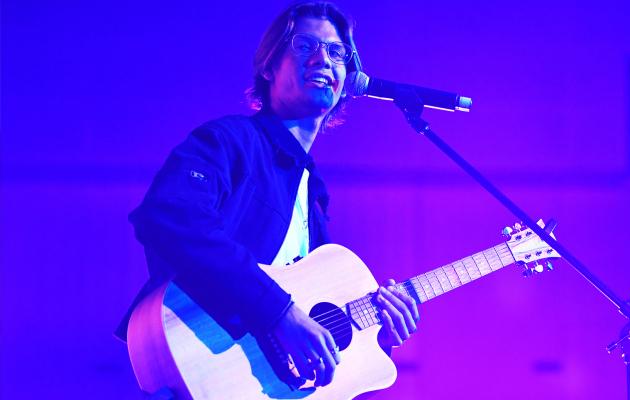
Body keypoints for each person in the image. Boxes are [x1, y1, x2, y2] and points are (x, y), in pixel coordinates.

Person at [115, 1, 419, 389]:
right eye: (306, 46)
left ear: (346, 78)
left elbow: (312, 332)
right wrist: (277, 312)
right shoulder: (228, 141)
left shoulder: (314, 192)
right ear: (268, 66)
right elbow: (169, 217)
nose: (324, 58)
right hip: (198, 362)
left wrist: (378, 336)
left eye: (337, 52)